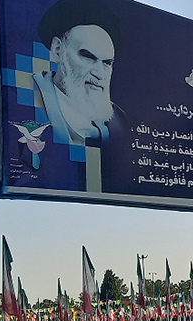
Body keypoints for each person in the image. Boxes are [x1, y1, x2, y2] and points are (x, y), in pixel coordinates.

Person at [34, 0, 127, 191]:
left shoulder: (119, 121)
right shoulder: (27, 101)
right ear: (58, 49)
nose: (99, 74)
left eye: (107, 63)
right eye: (88, 57)